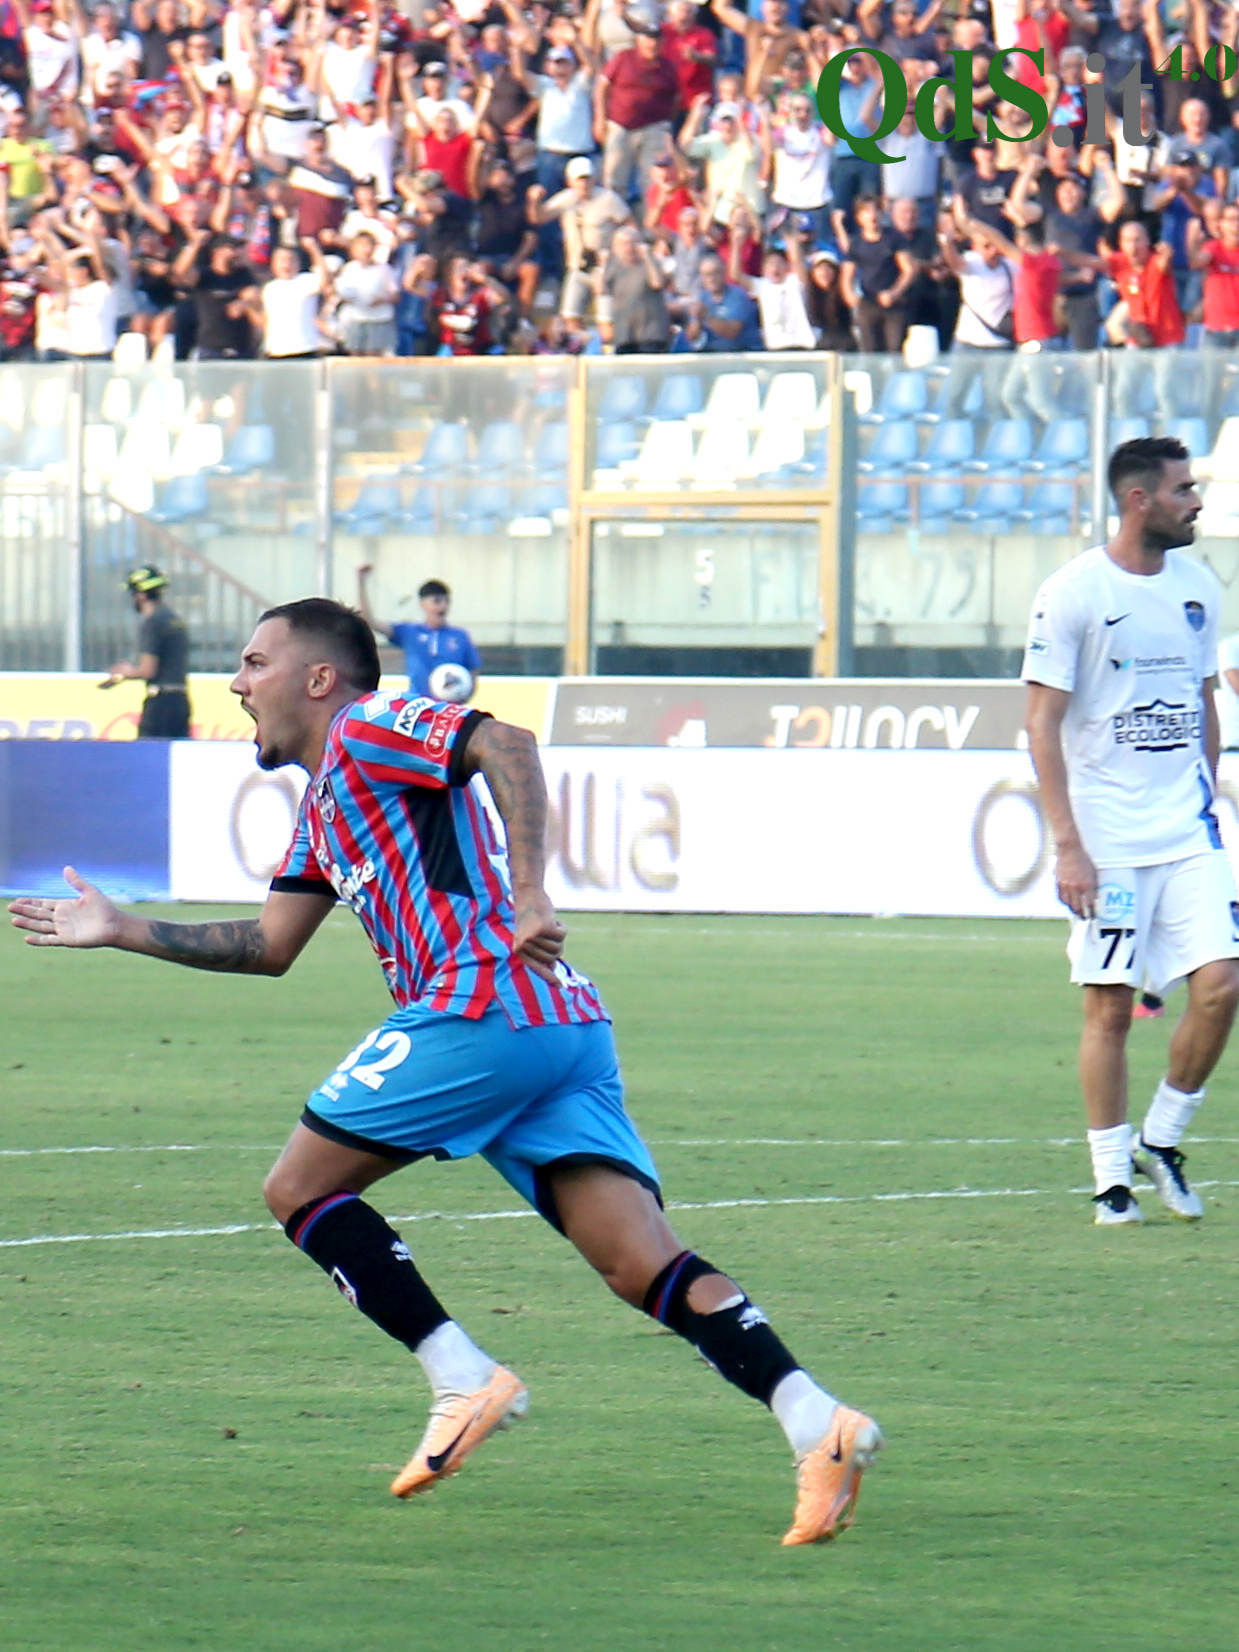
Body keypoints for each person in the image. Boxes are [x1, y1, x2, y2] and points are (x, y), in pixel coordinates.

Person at [8, 597, 884, 1545]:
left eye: (254, 662)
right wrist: (125, 928)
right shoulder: (323, 808)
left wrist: (530, 888)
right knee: (640, 1264)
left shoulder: (369, 729)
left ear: (318, 678)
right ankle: (816, 1422)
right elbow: (269, 945)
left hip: (482, 1000)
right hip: (558, 1022)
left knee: (299, 1188)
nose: (234, 682)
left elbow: (505, 743)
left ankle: (463, 1377)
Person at [1022, 437, 1239, 1226]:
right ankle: (1110, 1179)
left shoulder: (1196, 586)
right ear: (1139, 499)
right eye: (1183, 490)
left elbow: (1204, 694)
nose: (1196, 502)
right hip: (1108, 840)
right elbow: (1040, 725)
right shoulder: (1073, 592)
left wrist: (1205, 793)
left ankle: (1163, 1140)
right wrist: (1067, 844)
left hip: (1185, 830)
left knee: (1221, 987)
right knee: (1110, 1008)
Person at [356, 570, 482, 699]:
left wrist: (464, 696)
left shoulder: (460, 636)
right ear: (422, 604)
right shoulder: (409, 632)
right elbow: (370, 621)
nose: (443, 606)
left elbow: (473, 670)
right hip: (418, 708)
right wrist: (361, 582)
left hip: (450, 708)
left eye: (446, 601)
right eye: (437, 601)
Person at [99, 565, 192, 739]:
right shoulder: (175, 620)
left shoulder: (152, 623)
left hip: (160, 703)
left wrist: (124, 672)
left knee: (148, 755)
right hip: (181, 701)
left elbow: (147, 670)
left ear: (141, 595)